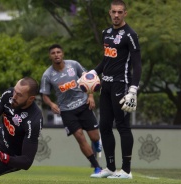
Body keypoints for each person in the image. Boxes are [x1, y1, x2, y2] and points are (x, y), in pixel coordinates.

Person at [86, 0, 142, 179]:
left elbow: (137, 65)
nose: (116, 15)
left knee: (123, 126)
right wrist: (92, 73)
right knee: (104, 126)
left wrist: (133, 90)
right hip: (106, 85)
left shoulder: (130, 34)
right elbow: (106, 61)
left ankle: (126, 170)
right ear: (109, 13)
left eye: (120, 12)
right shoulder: (106, 33)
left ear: (125, 13)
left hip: (122, 85)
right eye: (113, 12)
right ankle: (110, 168)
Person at [40, 44, 103, 177]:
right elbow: (44, 95)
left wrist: (91, 96)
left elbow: (89, 79)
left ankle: (97, 142)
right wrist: (51, 104)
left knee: (94, 137)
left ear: (62, 54)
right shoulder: (47, 75)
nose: (56, 55)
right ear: (50, 56)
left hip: (83, 105)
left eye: (58, 52)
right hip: (67, 111)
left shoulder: (74, 65)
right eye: (53, 53)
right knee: (79, 136)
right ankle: (97, 167)